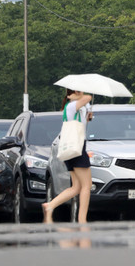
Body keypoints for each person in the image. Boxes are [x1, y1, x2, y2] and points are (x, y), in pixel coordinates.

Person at [42, 89, 92, 224]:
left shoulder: (75, 108)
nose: (81, 93)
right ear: (71, 94)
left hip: (72, 149)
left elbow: (85, 107)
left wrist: (88, 117)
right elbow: (88, 97)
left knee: (76, 187)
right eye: (78, 91)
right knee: (87, 185)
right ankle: (82, 219)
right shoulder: (71, 106)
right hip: (76, 148)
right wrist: (77, 97)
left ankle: (50, 205)